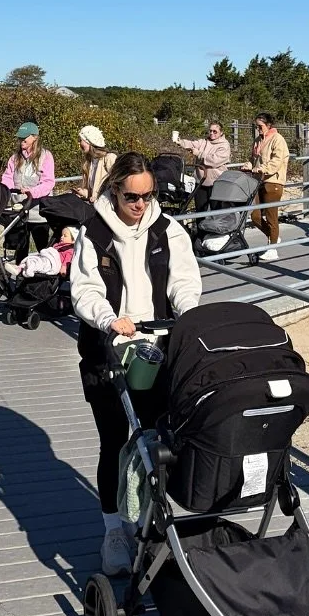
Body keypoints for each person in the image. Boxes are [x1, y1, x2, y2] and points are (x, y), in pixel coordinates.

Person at [71, 153, 202, 576]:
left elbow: (184, 282)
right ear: (115, 190)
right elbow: (85, 290)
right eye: (132, 196)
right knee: (115, 441)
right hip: (107, 351)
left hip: (157, 349)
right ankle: (113, 529)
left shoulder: (169, 231)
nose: (141, 204)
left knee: (158, 440)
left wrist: (187, 314)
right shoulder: (93, 234)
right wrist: (110, 319)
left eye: (149, 195)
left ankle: (152, 520)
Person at [1, 121, 56, 262]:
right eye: (20, 137)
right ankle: (20, 279)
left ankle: (43, 280)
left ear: (34, 137)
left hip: (39, 213)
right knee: (20, 250)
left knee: (42, 249)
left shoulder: (46, 156)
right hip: (19, 211)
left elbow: (48, 182)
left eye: (25, 137)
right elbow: (8, 176)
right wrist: (7, 190)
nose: (21, 141)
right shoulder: (15, 157)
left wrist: (32, 192)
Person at [241, 113, 289, 260]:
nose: (258, 129)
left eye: (260, 126)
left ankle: (272, 247)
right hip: (258, 181)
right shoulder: (258, 140)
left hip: (273, 181)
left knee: (271, 216)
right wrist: (248, 165)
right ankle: (273, 237)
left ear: (268, 125)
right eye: (256, 126)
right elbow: (253, 159)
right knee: (255, 215)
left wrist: (261, 168)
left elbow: (277, 161)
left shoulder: (278, 139)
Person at [175, 121, 231, 212]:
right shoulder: (204, 142)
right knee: (200, 209)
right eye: (210, 131)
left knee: (216, 211)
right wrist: (180, 142)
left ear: (221, 133)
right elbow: (192, 144)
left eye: (215, 131)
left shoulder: (224, 145)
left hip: (216, 183)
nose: (211, 133)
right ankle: (200, 226)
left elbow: (214, 161)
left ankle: (214, 226)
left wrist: (199, 154)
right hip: (201, 182)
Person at [76, 125, 116, 202]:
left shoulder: (109, 158)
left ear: (89, 141)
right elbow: (91, 192)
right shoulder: (88, 162)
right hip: (94, 205)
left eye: (80, 140)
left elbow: (118, 184)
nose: (79, 143)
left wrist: (101, 197)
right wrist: (83, 192)